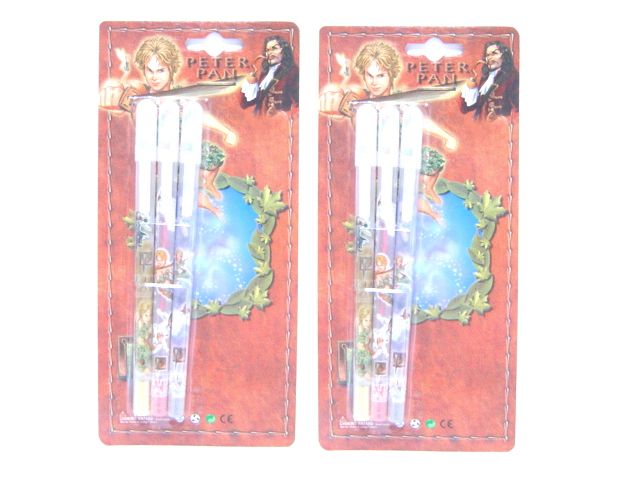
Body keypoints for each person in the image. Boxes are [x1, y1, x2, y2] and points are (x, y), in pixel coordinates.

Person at [319, 41, 457, 220]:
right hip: (370, 165)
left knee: (425, 170)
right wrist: (330, 99)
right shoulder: (360, 97)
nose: (374, 82)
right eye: (369, 75)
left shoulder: (401, 103)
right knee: (376, 208)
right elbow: (339, 101)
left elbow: (420, 121)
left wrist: (445, 136)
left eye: (380, 75)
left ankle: (425, 196)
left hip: (399, 160)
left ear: (391, 74)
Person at [99, 36, 237, 145]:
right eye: (150, 70)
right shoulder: (140, 91)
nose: (154, 77)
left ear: (171, 69)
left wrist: (227, 131)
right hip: (146, 156)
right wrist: (111, 94)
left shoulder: (180, 98)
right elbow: (119, 97)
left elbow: (200, 116)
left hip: (176, 155)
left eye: (160, 70)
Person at [240, 35, 299, 115]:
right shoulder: (265, 74)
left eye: (274, 48)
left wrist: (278, 113)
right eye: (267, 50)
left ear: (284, 50)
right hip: (262, 120)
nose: (270, 53)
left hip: (280, 121)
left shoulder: (292, 71)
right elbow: (245, 104)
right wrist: (251, 84)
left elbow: (299, 105)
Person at [460, 40, 519, 120]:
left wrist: (499, 118)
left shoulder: (513, 77)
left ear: (504, 56)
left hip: (499, 125)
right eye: (487, 55)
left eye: (494, 53)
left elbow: (518, 109)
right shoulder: (485, 79)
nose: (490, 57)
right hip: (481, 124)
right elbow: (467, 108)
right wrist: (470, 89)